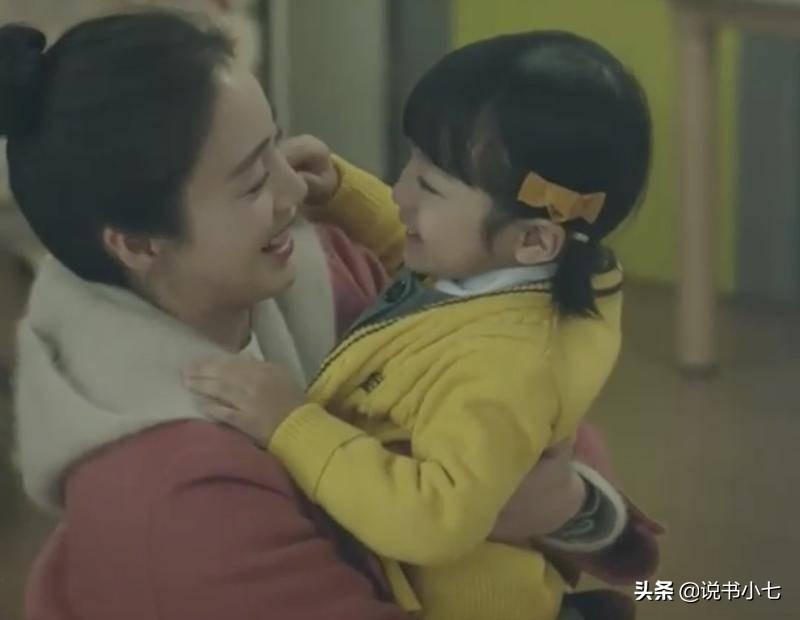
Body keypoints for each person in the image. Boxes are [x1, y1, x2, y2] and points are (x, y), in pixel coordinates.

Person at [1, 11, 652, 620]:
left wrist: (570, 503)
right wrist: (540, 501)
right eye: (253, 181)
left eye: (276, 146)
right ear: (139, 243)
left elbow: (524, 399)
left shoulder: (323, 266)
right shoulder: (177, 499)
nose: (294, 188)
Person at [184, 30, 655, 620]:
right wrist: (344, 193)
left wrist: (291, 423)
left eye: (430, 185)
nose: (402, 192)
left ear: (536, 239)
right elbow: (430, 264)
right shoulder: (516, 268)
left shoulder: (502, 369)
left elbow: (430, 521)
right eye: (414, 161)